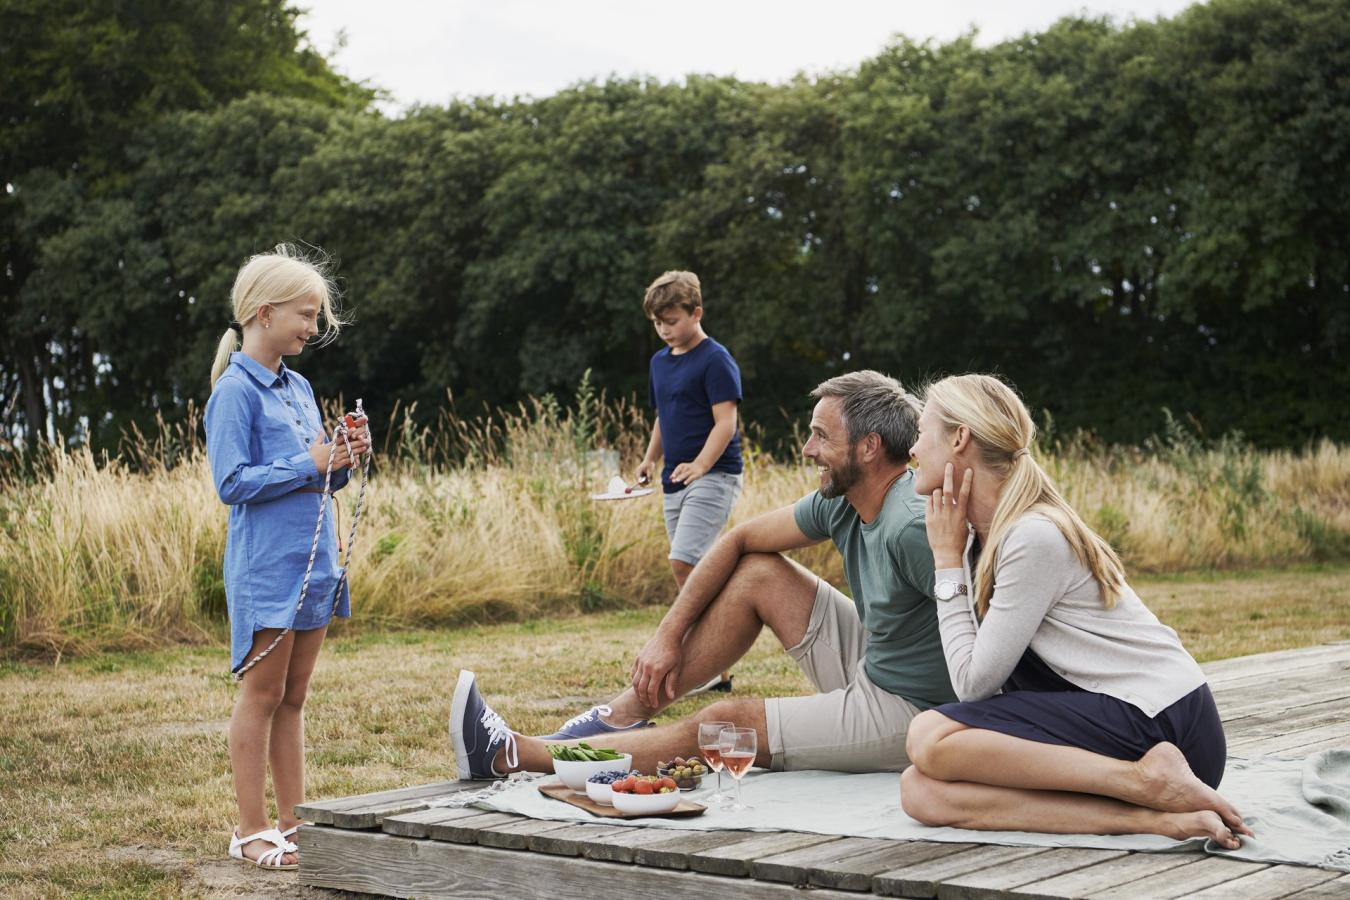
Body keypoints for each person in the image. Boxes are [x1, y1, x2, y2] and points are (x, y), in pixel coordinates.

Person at [450, 370, 958, 779]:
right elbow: (738, 541)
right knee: (759, 572)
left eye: (821, 436)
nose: (806, 449)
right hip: (879, 661)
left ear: (868, 448)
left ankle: (512, 755)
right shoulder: (845, 502)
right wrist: (666, 638)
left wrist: (978, 743)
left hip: (915, 713)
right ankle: (620, 715)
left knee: (723, 726)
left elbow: (988, 627)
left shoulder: (910, 527)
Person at [900, 373, 1252, 848]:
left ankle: (1144, 781)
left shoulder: (1032, 535)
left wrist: (946, 565)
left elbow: (972, 684)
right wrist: (953, 555)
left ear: (959, 438)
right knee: (920, 792)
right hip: (1119, 727)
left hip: (1166, 723)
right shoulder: (975, 537)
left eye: (922, 432)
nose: (913, 449)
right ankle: (1152, 816)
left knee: (929, 735)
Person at [205, 245, 372, 870]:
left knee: (294, 698)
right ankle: (250, 830)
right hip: (266, 568)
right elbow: (232, 484)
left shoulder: (299, 387)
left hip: (315, 563)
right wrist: (310, 460)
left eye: (316, 315)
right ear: (264, 312)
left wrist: (342, 457)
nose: (313, 327)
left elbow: (320, 480)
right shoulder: (234, 393)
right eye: (306, 314)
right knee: (262, 694)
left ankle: (292, 823)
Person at [633, 270, 743, 697]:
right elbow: (664, 415)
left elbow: (726, 423)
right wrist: (648, 458)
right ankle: (718, 667)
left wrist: (699, 465)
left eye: (672, 320)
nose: (664, 330)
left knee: (684, 563)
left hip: (714, 475)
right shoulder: (659, 363)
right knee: (691, 572)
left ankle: (700, 658)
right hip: (673, 478)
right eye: (657, 322)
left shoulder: (715, 360)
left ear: (696, 313)